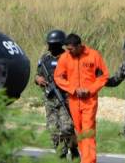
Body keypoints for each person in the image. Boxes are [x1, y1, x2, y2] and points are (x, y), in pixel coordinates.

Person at [54, 33, 109, 163]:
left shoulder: (93, 55)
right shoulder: (64, 58)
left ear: (79, 46)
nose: (69, 51)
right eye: (67, 49)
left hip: (89, 101)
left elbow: (103, 76)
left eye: (71, 49)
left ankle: (89, 161)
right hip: (73, 100)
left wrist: (89, 90)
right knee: (80, 132)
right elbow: (58, 77)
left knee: (88, 131)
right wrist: (73, 89)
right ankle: (86, 158)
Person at [35, 30, 80, 159]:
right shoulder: (45, 59)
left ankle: (73, 147)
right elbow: (37, 75)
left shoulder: (69, 57)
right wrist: (38, 79)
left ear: (60, 44)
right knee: (53, 130)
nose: (50, 47)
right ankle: (61, 155)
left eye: (53, 44)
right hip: (50, 101)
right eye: (50, 44)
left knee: (67, 128)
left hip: (65, 99)